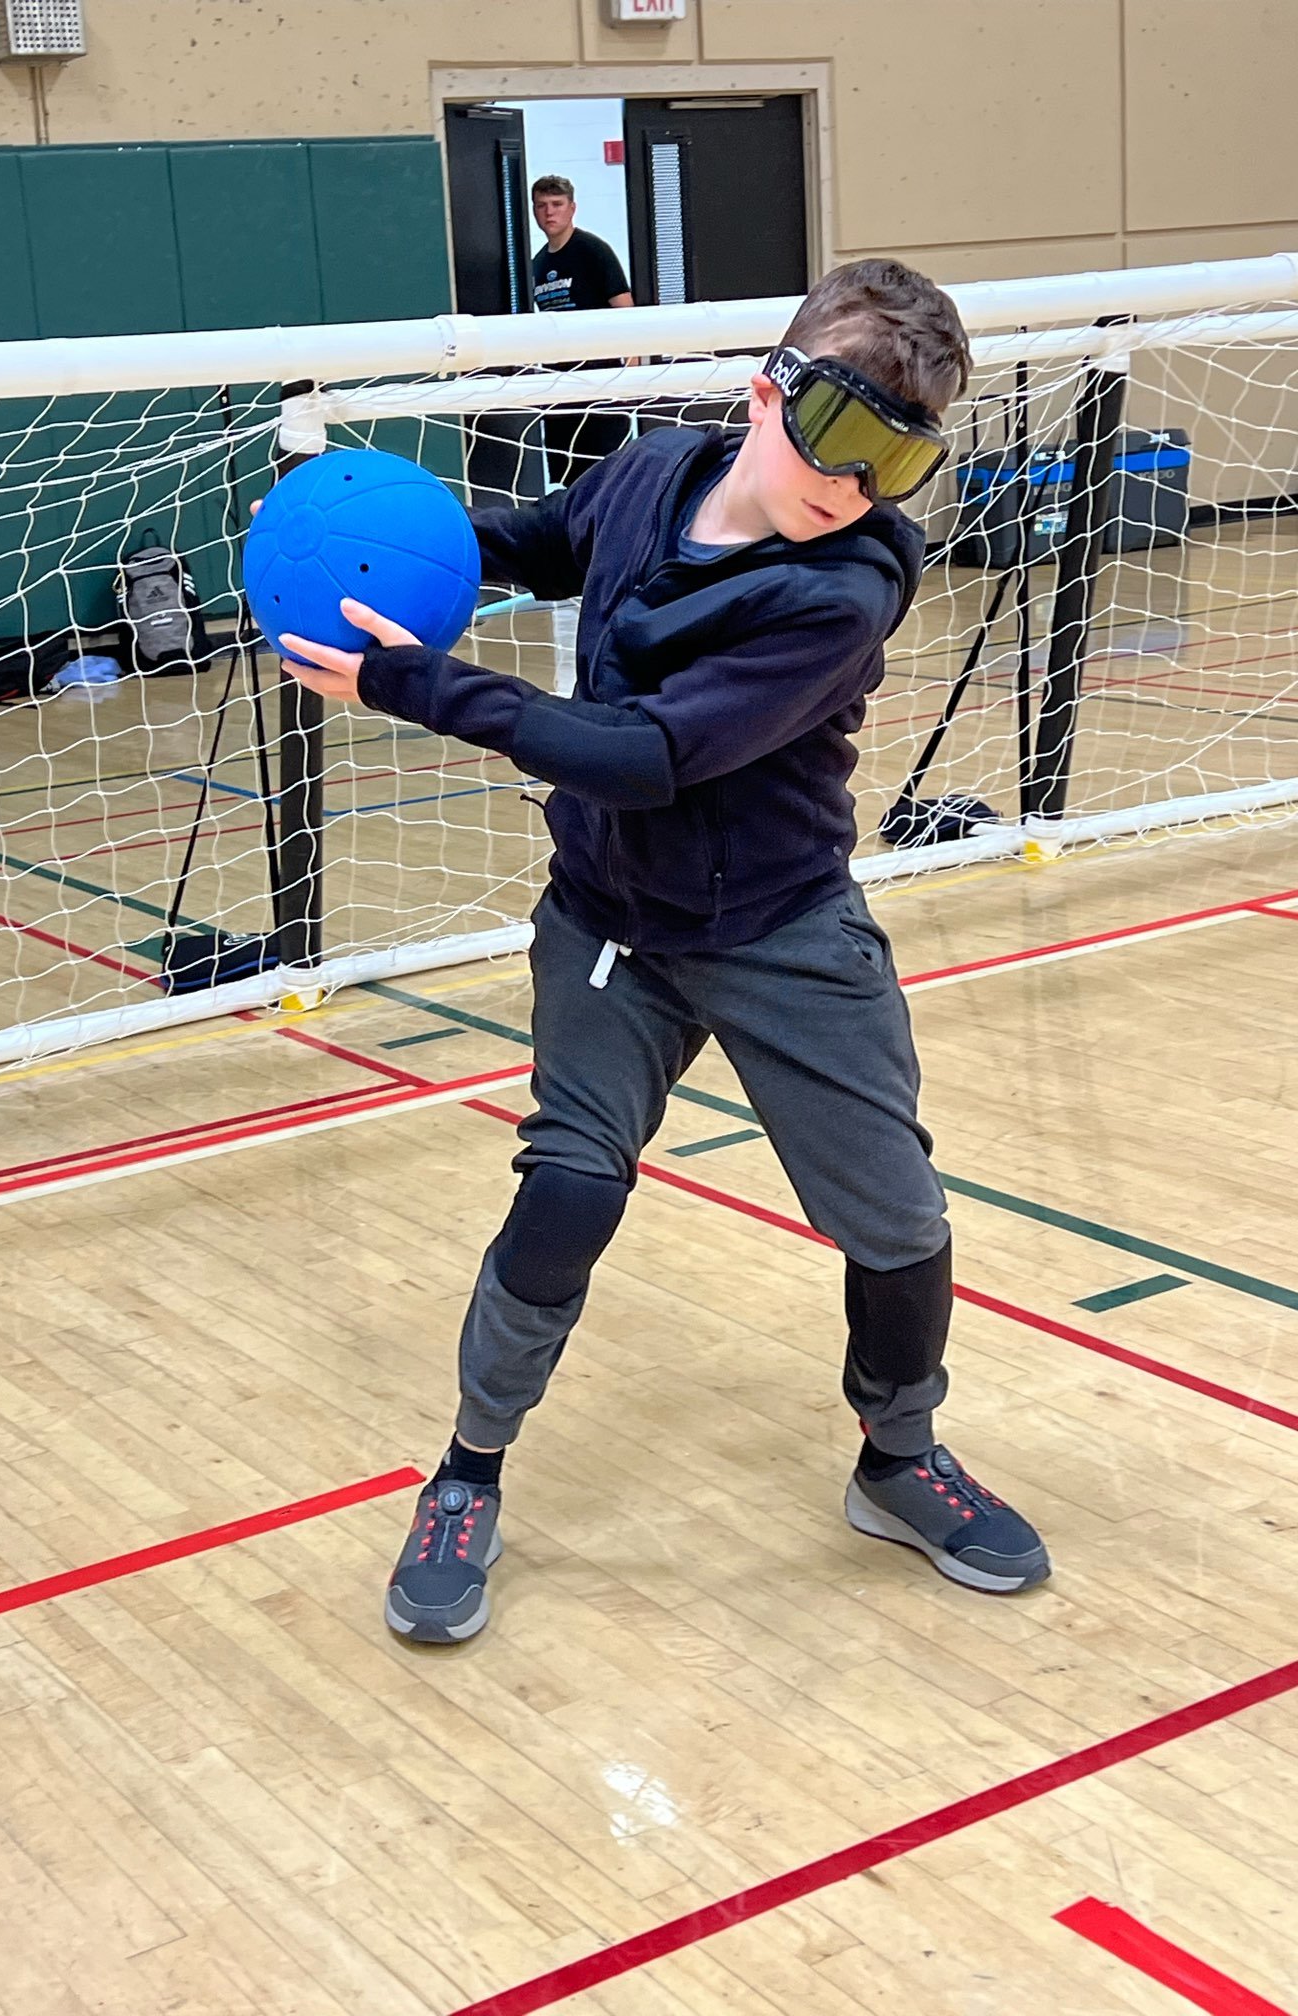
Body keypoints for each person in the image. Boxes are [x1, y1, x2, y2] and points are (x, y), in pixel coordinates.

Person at [275, 258, 1052, 1646]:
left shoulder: (841, 592)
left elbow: (644, 756)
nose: (860, 486)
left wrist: (411, 682)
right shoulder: (649, 473)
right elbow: (535, 543)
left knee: (900, 1225)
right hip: (610, 923)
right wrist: (385, 547)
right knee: (566, 1190)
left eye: (901, 462)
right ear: (770, 394)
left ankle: (897, 1459)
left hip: (780, 931)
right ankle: (466, 1473)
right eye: (843, 441)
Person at [529, 173, 634, 487]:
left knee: (604, 474)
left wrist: (631, 365)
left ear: (572, 208)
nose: (550, 212)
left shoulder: (593, 250)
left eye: (557, 204)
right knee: (568, 478)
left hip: (600, 383)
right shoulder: (537, 263)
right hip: (559, 387)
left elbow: (626, 311)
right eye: (542, 206)